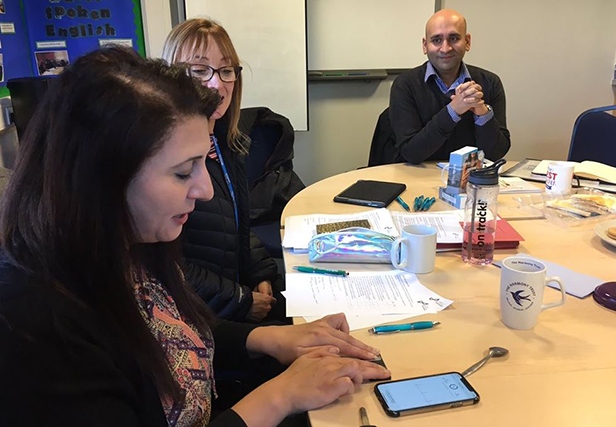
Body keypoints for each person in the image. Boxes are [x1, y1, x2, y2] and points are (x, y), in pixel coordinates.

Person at [0, 45, 390, 427]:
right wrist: (279, 396)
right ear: (102, 178)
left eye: (204, 162)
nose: (204, 189)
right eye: (183, 172)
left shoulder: (133, 243)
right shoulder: (35, 326)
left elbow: (179, 333)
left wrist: (271, 339)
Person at [162, 18, 287, 324]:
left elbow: (236, 224)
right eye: (200, 70)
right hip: (203, 321)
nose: (217, 84)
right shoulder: (163, 159)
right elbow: (169, 266)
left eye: (226, 70)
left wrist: (260, 272)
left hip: (235, 302)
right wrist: (240, 300)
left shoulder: (225, 145)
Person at [389, 9, 511, 164]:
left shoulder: (490, 83)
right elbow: (411, 153)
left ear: (467, 42)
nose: (445, 48)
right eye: (437, 40)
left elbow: (496, 153)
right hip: (419, 178)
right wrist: (453, 110)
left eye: (453, 38)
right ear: (425, 45)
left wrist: (482, 113)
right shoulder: (405, 85)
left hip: (470, 181)